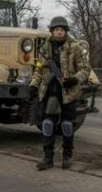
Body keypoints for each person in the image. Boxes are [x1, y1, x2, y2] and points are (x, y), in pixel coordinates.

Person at [29, 16, 91, 170]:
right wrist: (33, 85)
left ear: (65, 31)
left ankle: (67, 156)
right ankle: (48, 157)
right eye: (56, 29)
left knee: (67, 124)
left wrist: (74, 79)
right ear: (52, 31)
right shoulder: (45, 47)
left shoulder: (74, 47)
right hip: (50, 91)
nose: (59, 32)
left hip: (68, 92)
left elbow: (85, 69)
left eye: (62, 29)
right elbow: (39, 69)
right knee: (48, 124)